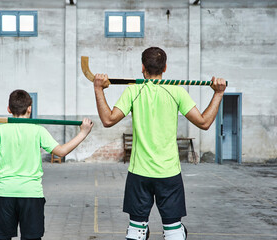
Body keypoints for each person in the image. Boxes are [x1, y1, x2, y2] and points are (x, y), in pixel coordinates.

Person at [93, 47, 226, 240]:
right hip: (168, 174)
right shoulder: (176, 92)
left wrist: (98, 89)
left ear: (142, 67)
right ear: (165, 68)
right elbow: (204, 122)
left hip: (139, 174)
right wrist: (218, 93)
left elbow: (108, 120)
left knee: (136, 231)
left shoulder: (133, 91)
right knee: (174, 232)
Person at [0, 89, 93, 240]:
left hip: (5, 194)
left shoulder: (1, 130)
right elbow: (61, 152)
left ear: (9, 109)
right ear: (30, 108)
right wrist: (83, 133)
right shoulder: (38, 130)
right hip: (31, 194)